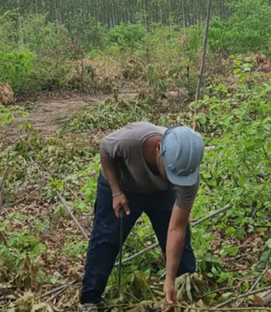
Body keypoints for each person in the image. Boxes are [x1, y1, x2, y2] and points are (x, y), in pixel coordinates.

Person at [79, 122, 204, 312]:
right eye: (170, 172)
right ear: (158, 148)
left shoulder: (187, 175)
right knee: (106, 238)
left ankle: (184, 294)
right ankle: (90, 299)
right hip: (122, 184)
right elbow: (105, 148)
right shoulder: (131, 140)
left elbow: (176, 228)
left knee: (182, 243)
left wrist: (169, 279)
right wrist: (115, 191)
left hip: (161, 194)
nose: (172, 178)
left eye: (176, 176)